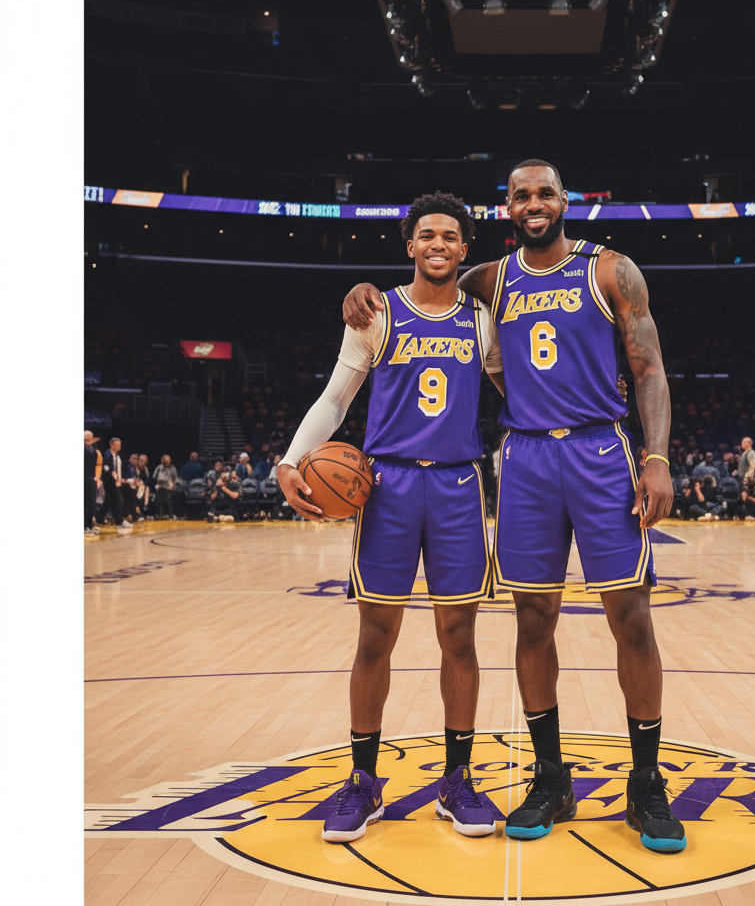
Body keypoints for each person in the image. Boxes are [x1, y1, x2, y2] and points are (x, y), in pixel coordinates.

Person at [343, 159, 683, 854]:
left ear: (565, 200)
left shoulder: (611, 270)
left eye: (544, 193)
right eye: (521, 195)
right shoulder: (489, 280)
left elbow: (648, 368)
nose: (533, 204)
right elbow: (427, 284)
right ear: (506, 208)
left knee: (631, 616)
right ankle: (551, 777)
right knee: (533, 619)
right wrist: (363, 293)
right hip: (524, 457)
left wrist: (657, 456)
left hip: (599, 450)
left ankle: (647, 781)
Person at [282, 191, 504, 844]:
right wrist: (290, 461)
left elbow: (515, 388)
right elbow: (335, 399)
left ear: (464, 250)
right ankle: (362, 780)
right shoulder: (376, 313)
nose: (438, 244)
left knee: (458, 638)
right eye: (427, 235)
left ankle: (457, 780)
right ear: (410, 245)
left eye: (450, 236)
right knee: (375, 637)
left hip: (459, 485)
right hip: (388, 488)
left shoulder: (483, 321)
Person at [101, 437, 132, 529]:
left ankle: (99, 517)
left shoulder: (117, 456)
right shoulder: (107, 454)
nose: (119, 446)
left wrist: (121, 479)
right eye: (117, 444)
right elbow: (107, 468)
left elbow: (119, 469)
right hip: (110, 481)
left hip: (116, 481)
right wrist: (114, 476)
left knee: (109, 501)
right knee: (117, 500)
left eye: (119, 444)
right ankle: (119, 521)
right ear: (112, 445)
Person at [85, 430, 103, 534]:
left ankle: (89, 526)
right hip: (86, 479)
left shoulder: (95, 451)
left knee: (90, 504)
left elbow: (98, 465)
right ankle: (86, 527)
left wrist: (97, 477)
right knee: (86, 504)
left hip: (90, 479)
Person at [153, 455, 178, 519]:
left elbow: (175, 479)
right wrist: (157, 484)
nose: (166, 463)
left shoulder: (172, 468)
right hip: (160, 486)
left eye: (167, 462)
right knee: (158, 496)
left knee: (168, 497)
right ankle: (160, 514)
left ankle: (170, 514)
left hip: (169, 487)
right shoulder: (159, 468)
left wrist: (172, 484)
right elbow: (154, 477)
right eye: (164, 462)